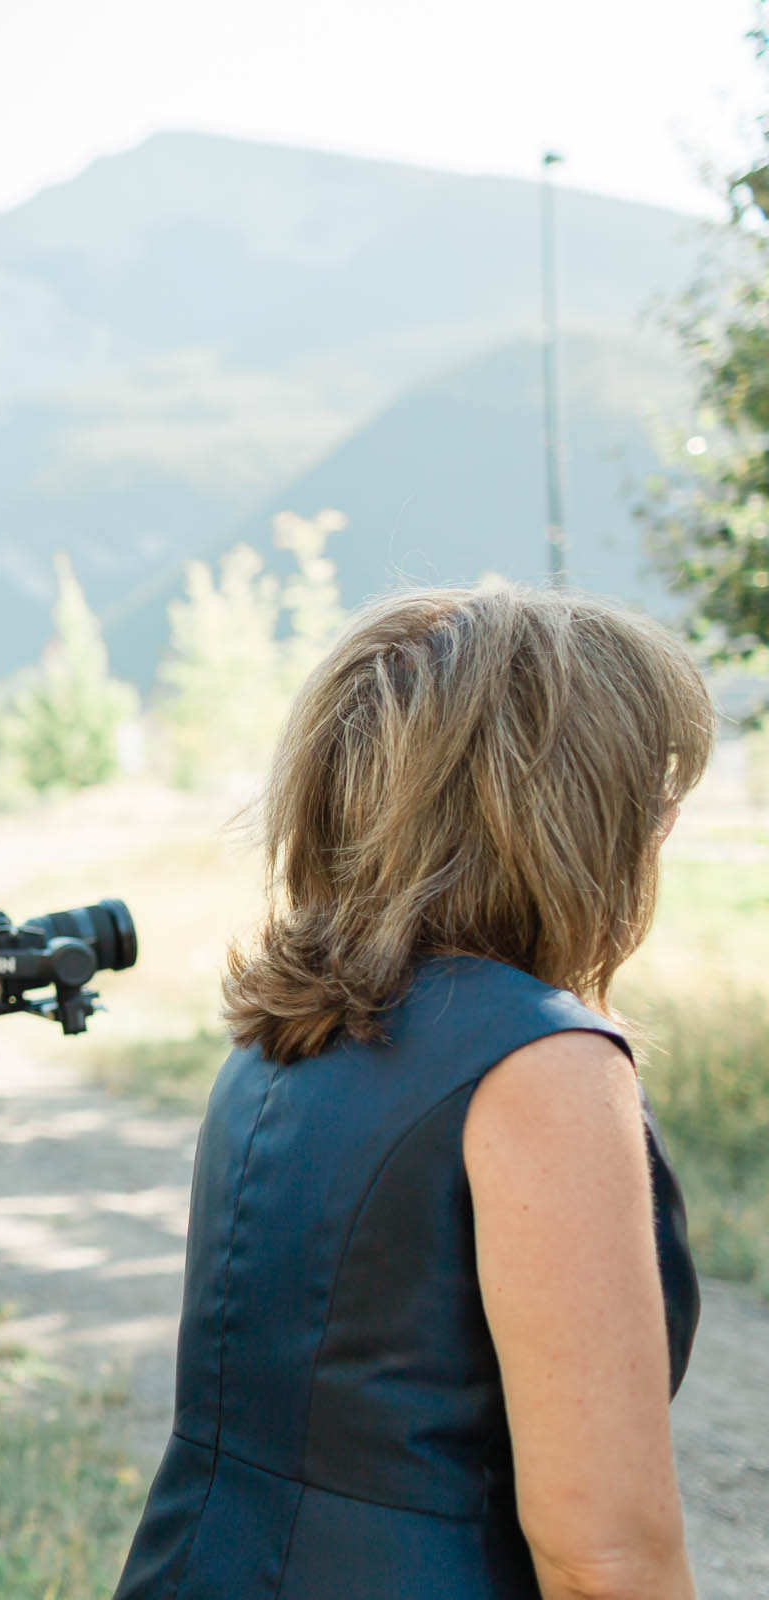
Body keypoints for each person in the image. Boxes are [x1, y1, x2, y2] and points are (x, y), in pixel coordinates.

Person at [114, 584, 712, 1600]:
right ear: (573, 808)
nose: (657, 828)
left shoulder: (274, 1037)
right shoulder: (544, 1062)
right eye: (648, 791)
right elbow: (603, 1558)